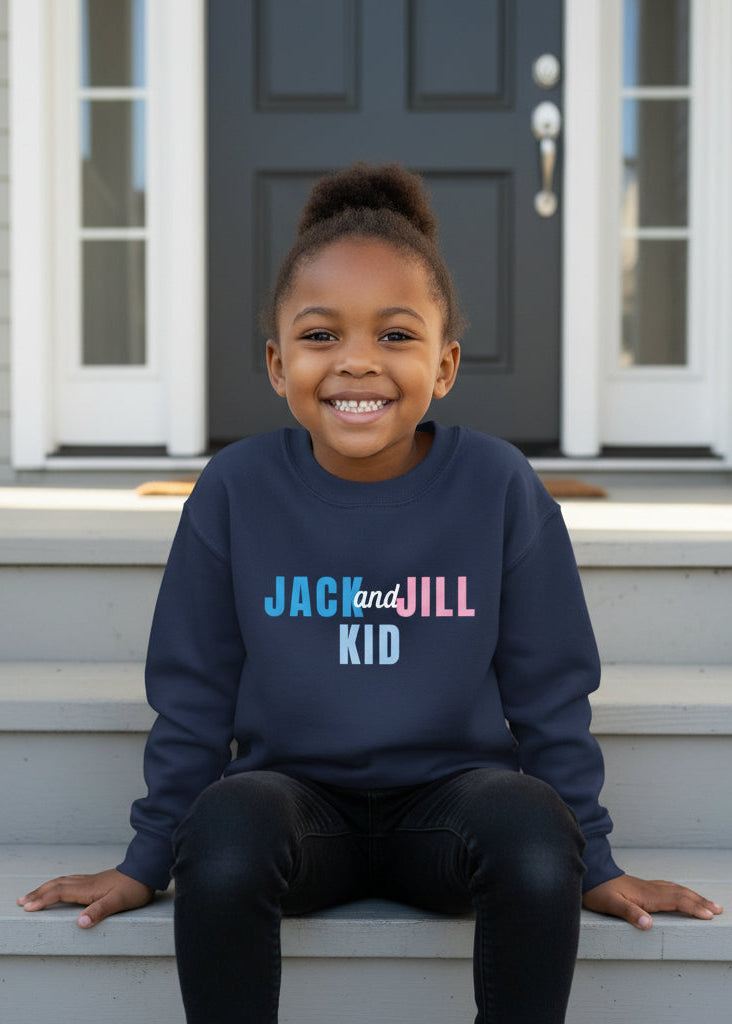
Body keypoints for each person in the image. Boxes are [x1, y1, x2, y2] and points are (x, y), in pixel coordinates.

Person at [19, 163, 722, 1024]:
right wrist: (144, 858)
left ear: (446, 362)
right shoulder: (236, 490)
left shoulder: (498, 487)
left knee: (538, 840)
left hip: (453, 804)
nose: (357, 361)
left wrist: (598, 861)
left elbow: (550, 692)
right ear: (277, 365)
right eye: (321, 336)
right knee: (224, 831)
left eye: (395, 336)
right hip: (292, 807)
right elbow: (194, 694)